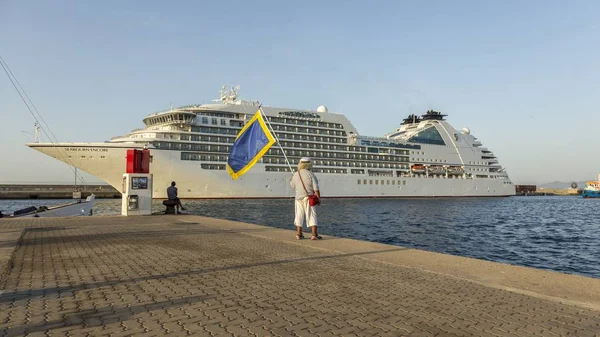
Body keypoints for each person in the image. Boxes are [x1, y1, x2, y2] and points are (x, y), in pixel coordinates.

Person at [290, 157, 322, 240]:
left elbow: (293, 186)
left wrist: (291, 179)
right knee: (312, 215)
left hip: (298, 198)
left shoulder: (296, 174)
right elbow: (316, 189)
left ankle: (298, 234)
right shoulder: (310, 174)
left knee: (299, 215)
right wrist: (318, 199)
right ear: (309, 164)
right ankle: (314, 234)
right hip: (309, 198)